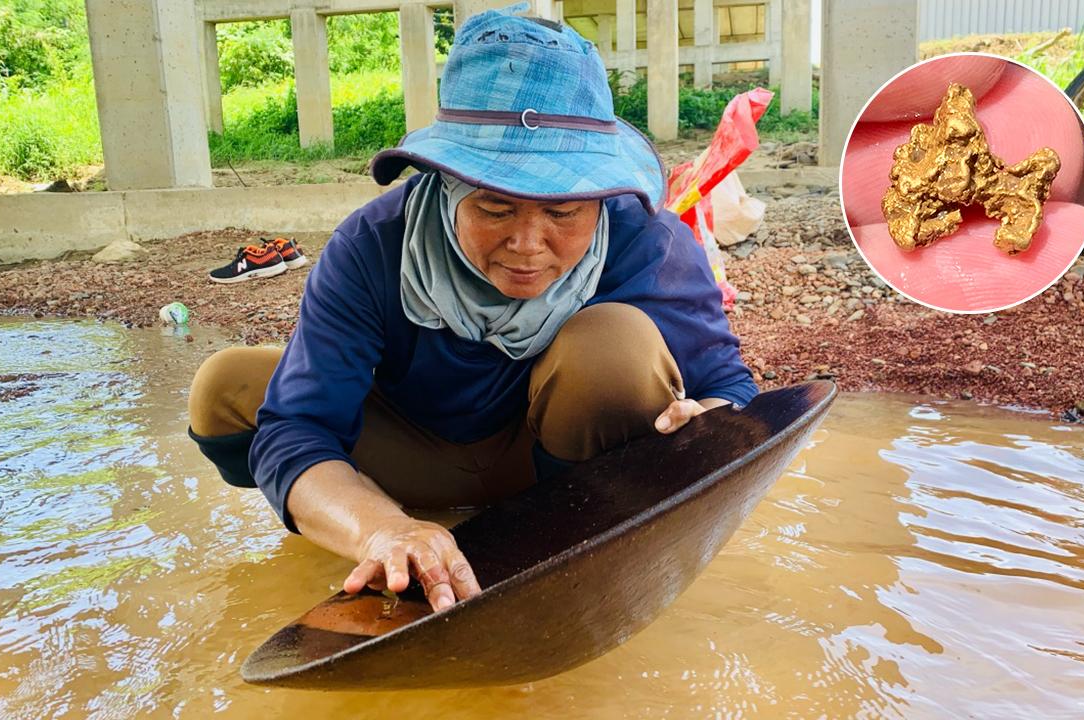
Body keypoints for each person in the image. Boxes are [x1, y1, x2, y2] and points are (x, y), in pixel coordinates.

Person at [187, 7, 757, 615]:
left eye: (564, 213)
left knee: (612, 345)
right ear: (448, 182)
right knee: (226, 384)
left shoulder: (648, 240)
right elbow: (296, 431)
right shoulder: (373, 244)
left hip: (559, 470)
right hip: (416, 460)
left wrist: (706, 431)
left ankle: (558, 529)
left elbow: (731, 389)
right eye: (495, 207)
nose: (529, 243)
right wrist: (380, 530)